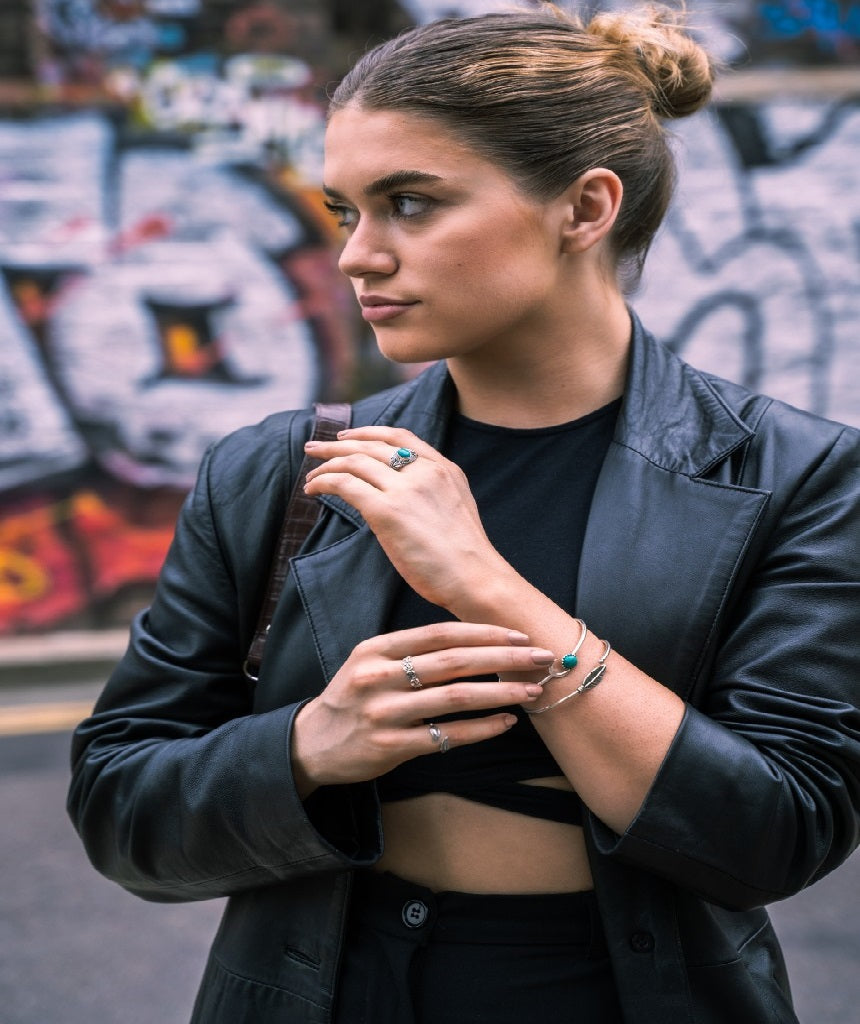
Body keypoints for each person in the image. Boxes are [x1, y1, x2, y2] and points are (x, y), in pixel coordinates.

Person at [68, 4, 860, 1022]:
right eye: (346, 209)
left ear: (583, 209)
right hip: (323, 990)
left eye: (409, 202)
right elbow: (120, 805)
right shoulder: (279, 468)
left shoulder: (791, 474)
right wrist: (311, 743)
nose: (356, 255)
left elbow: (777, 832)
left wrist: (483, 583)